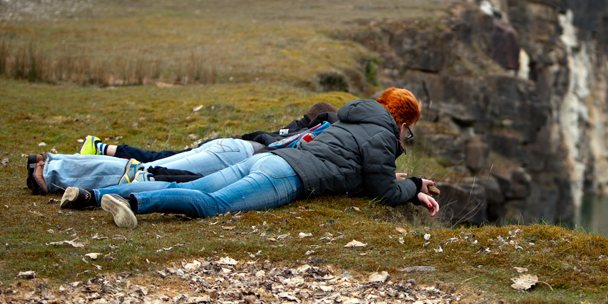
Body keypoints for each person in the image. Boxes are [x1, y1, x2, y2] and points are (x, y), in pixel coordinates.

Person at [64, 88, 439, 228]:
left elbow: (358, 175)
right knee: (213, 204)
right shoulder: (382, 136)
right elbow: (382, 191)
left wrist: (404, 183)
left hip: (270, 159)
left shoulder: (349, 117)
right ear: (402, 121)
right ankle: (132, 201)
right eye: (409, 130)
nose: (407, 137)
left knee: (194, 183)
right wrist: (413, 187)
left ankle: (89, 195)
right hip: (287, 177)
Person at [26, 103, 339, 194]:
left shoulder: (296, 129)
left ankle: (50, 161)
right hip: (236, 156)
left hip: (231, 146)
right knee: (145, 172)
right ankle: (54, 171)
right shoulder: (321, 139)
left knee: (147, 167)